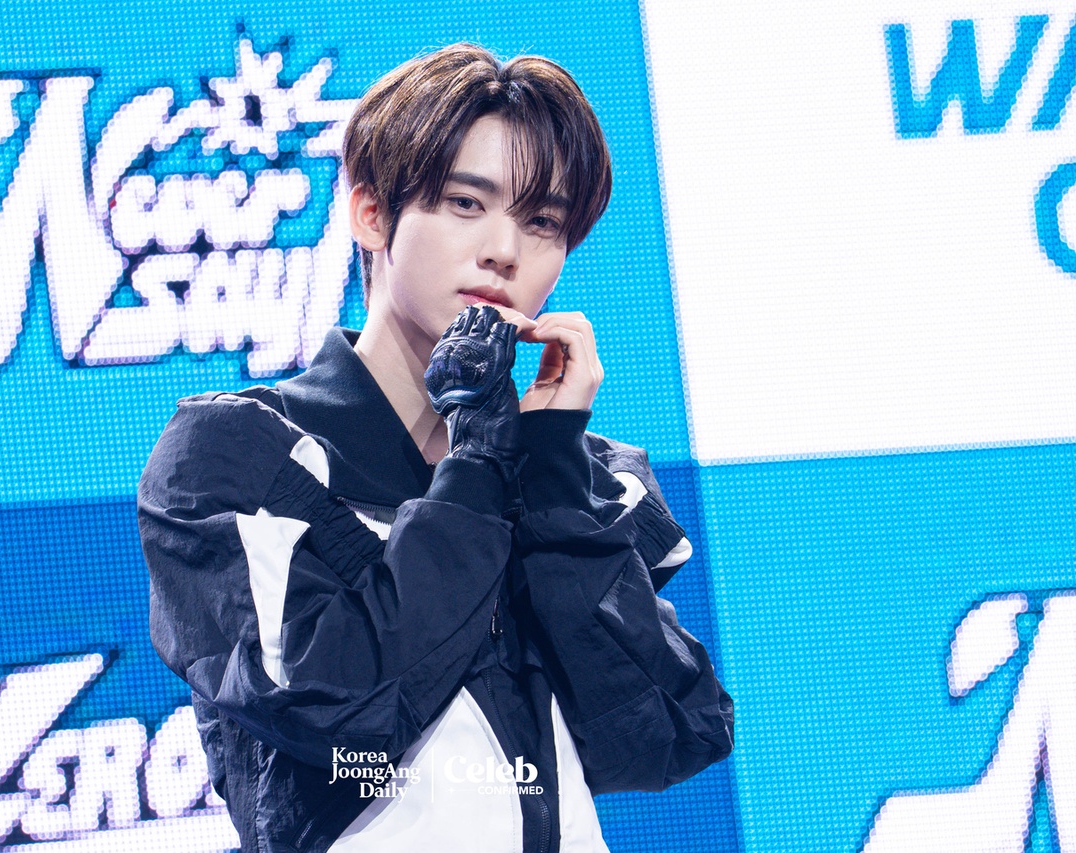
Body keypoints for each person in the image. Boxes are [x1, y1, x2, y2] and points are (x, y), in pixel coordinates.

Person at [138, 43, 733, 852]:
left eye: (542, 222)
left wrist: (551, 473)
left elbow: (663, 736)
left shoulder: (579, 477)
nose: (503, 249)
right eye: (465, 203)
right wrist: (477, 468)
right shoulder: (240, 454)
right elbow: (336, 712)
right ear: (371, 213)